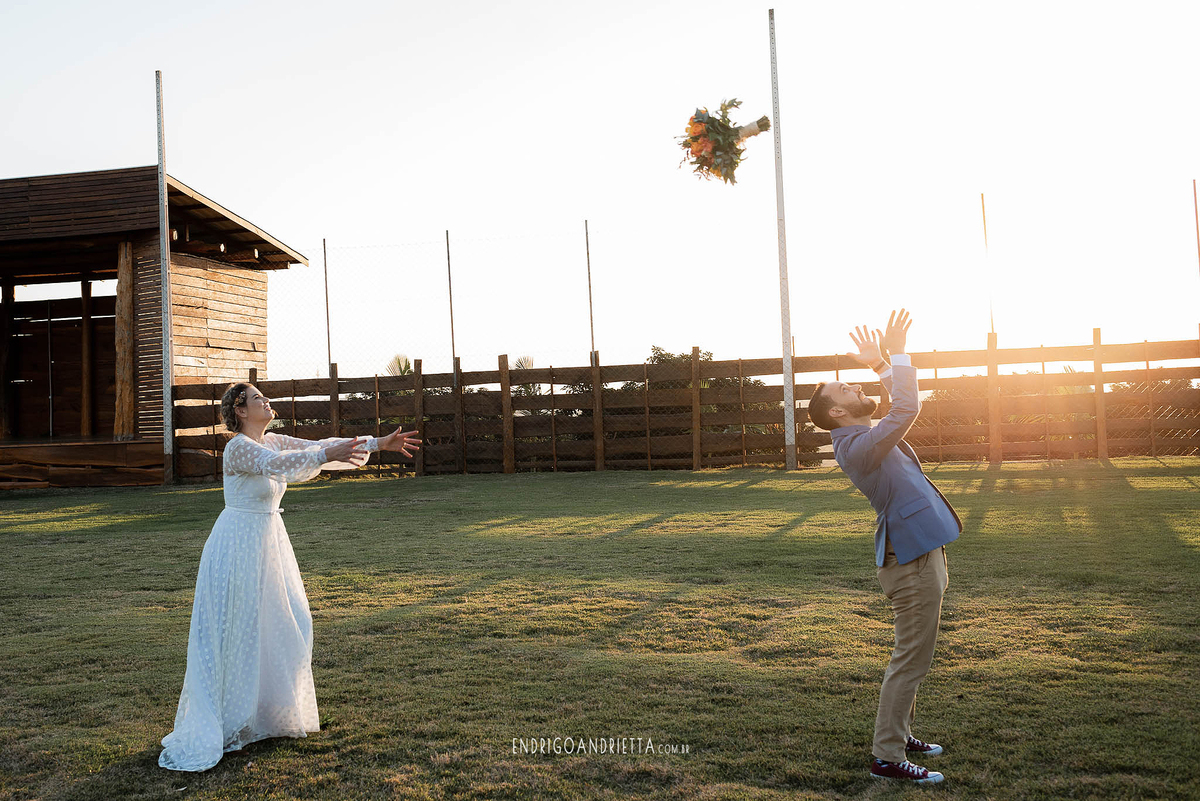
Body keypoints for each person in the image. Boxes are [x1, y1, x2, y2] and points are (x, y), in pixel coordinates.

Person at [159, 382, 422, 772]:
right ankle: (231, 718)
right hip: (237, 544)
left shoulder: (273, 440)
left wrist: (378, 443)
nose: (267, 401)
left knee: (287, 620)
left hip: (269, 542)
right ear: (240, 411)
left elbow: (320, 445)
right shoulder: (238, 448)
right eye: (257, 398)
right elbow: (277, 466)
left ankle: (269, 714)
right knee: (240, 627)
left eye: (265, 396)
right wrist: (324, 454)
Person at [807, 309, 961, 786]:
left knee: (915, 655)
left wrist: (880, 365)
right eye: (846, 390)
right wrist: (897, 354)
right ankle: (887, 758)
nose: (856, 388)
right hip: (909, 562)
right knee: (911, 660)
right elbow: (906, 408)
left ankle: (901, 733)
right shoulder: (856, 446)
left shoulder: (862, 436)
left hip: (919, 552)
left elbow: (899, 406)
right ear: (837, 412)